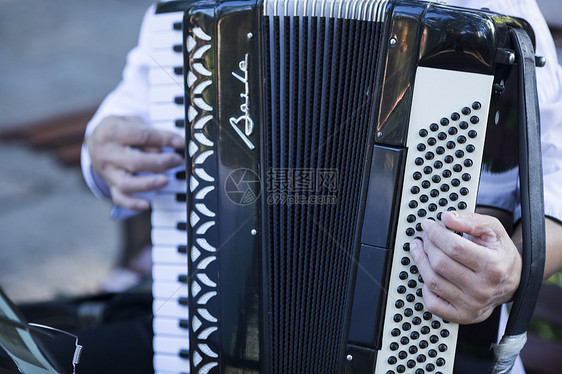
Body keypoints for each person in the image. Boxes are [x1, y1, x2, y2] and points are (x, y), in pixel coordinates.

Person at [81, 0, 562, 373]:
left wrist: (514, 268)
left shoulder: (490, 8)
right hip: (213, 328)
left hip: (420, 340)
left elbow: (557, 173)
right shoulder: (188, 13)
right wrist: (101, 150)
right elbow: (128, 113)